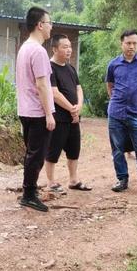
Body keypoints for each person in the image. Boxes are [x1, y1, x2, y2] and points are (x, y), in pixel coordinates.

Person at [105, 29, 137, 196]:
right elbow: (110, 87)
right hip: (116, 113)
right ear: (122, 43)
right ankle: (122, 179)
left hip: (136, 113)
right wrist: (116, 101)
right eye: (128, 43)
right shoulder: (113, 64)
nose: (131, 46)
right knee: (117, 149)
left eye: (134, 43)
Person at [16, 6, 56, 212]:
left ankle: (29, 190)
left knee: (31, 153)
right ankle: (29, 194)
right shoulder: (38, 51)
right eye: (49, 23)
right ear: (40, 25)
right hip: (38, 112)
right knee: (36, 155)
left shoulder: (24, 48)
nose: (51, 27)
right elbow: (42, 84)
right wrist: (49, 113)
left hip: (25, 110)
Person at [44, 34, 91, 194]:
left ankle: (73, 180)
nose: (69, 50)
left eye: (70, 46)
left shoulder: (70, 68)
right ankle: (51, 182)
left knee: (74, 149)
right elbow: (54, 93)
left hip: (74, 118)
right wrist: (72, 109)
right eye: (65, 47)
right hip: (59, 118)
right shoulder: (49, 68)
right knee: (53, 150)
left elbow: (79, 88)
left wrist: (79, 106)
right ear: (55, 49)